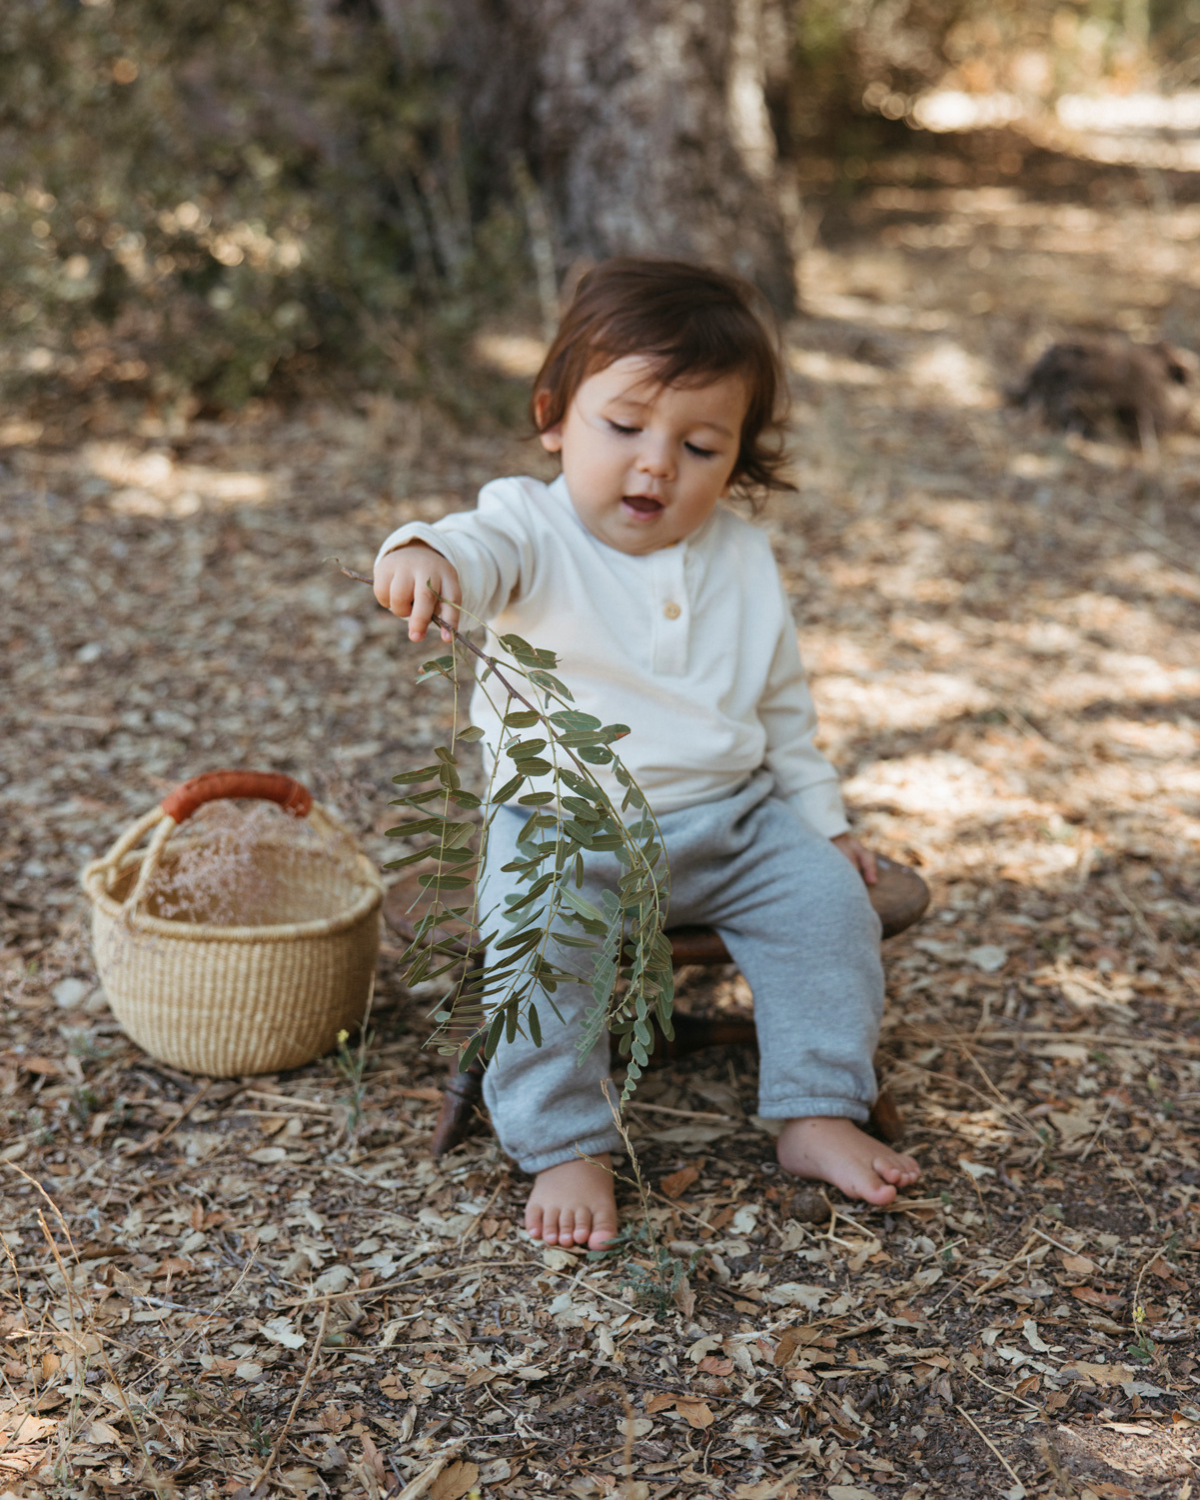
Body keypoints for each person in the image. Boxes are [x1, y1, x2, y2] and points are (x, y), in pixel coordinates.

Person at [373, 258, 920, 1251]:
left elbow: (784, 709)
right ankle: (563, 1140)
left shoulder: (742, 557)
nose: (657, 464)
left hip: (735, 822)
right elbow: (472, 547)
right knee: (539, 940)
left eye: (700, 444)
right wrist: (423, 555)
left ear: (737, 459)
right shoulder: (530, 529)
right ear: (555, 416)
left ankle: (815, 1107)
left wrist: (827, 823)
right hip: (564, 828)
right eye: (623, 427)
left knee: (831, 912)